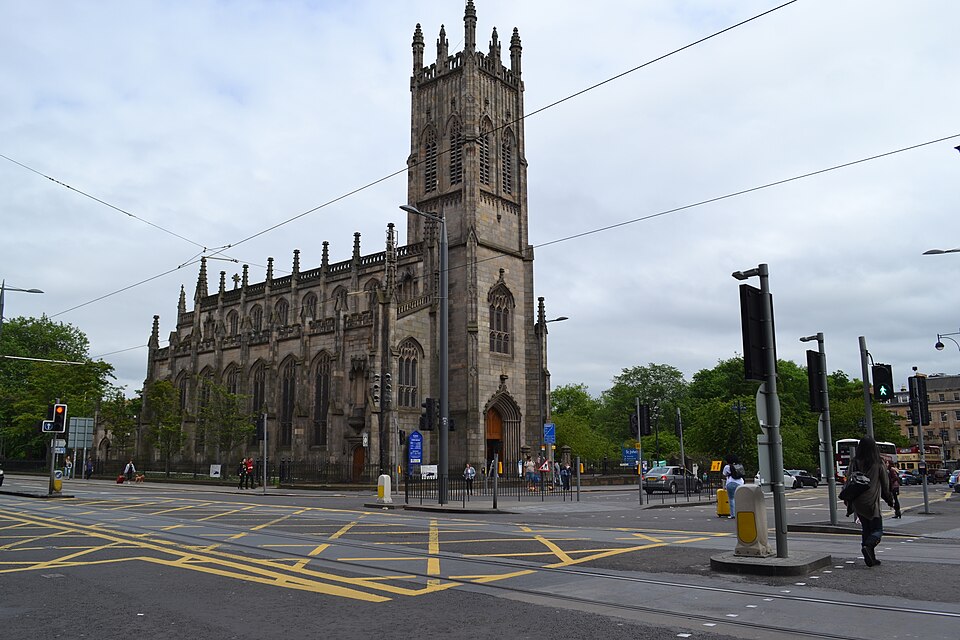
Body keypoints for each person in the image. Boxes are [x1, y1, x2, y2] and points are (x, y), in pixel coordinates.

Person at [846, 436, 893, 567]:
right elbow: (885, 483)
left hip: (857, 500)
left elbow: (849, 479)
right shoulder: (878, 462)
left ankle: (871, 557)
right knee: (877, 530)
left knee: (866, 529)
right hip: (871, 500)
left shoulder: (854, 461)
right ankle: (869, 545)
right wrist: (890, 500)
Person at [722, 454, 745, 519]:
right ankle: (741, 513)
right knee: (739, 499)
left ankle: (733, 514)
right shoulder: (739, 465)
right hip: (740, 483)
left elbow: (724, 475)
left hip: (731, 483)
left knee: (731, 499)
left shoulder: (727, 467)